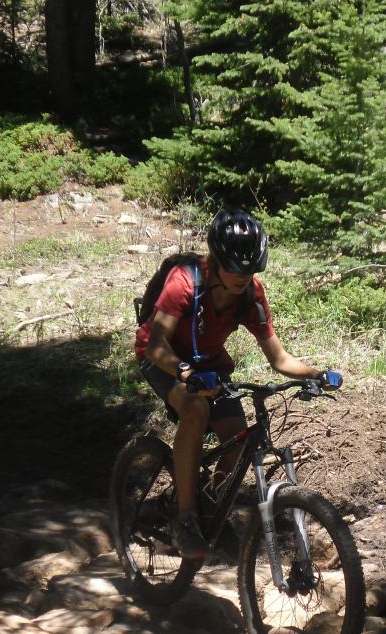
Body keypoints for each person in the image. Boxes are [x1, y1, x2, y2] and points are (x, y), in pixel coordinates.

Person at [134, 207, 341, 560]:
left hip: (210, 367)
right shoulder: (185, 281)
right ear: (216, 260)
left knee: (235, 441)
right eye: (234, 269)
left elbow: (279, 360)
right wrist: (186, 373)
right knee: (196, 408)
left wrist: (317, 374)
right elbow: (155, 345)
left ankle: (209, 507)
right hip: (164, 359)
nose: (242, 277)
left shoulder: (250, 295)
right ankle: (185, 519)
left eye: (250, 270)